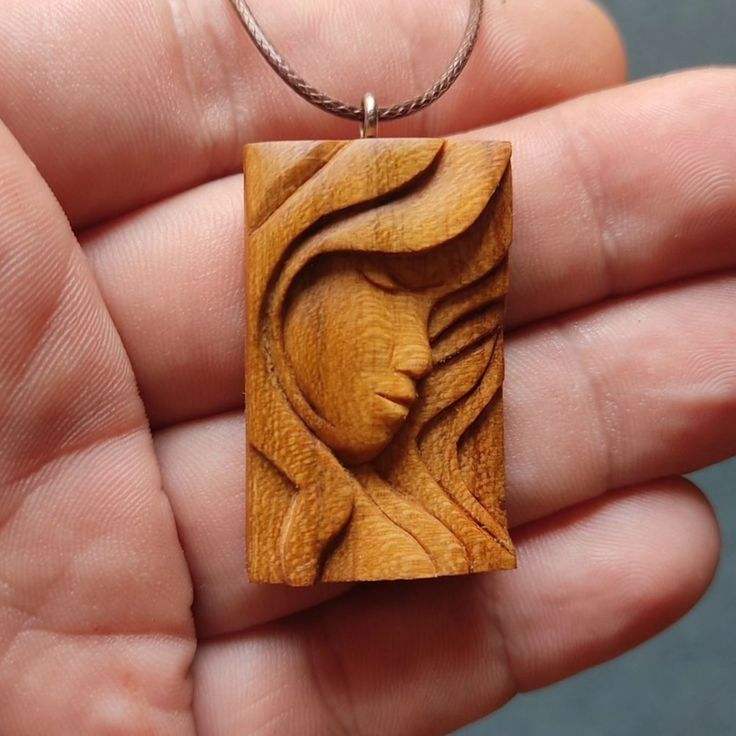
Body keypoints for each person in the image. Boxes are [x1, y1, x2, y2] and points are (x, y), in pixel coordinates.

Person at [0, 1, 733, 733]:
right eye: (387, 295)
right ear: (296, 287)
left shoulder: (433, 514)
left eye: (437, 323)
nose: (419, 357)